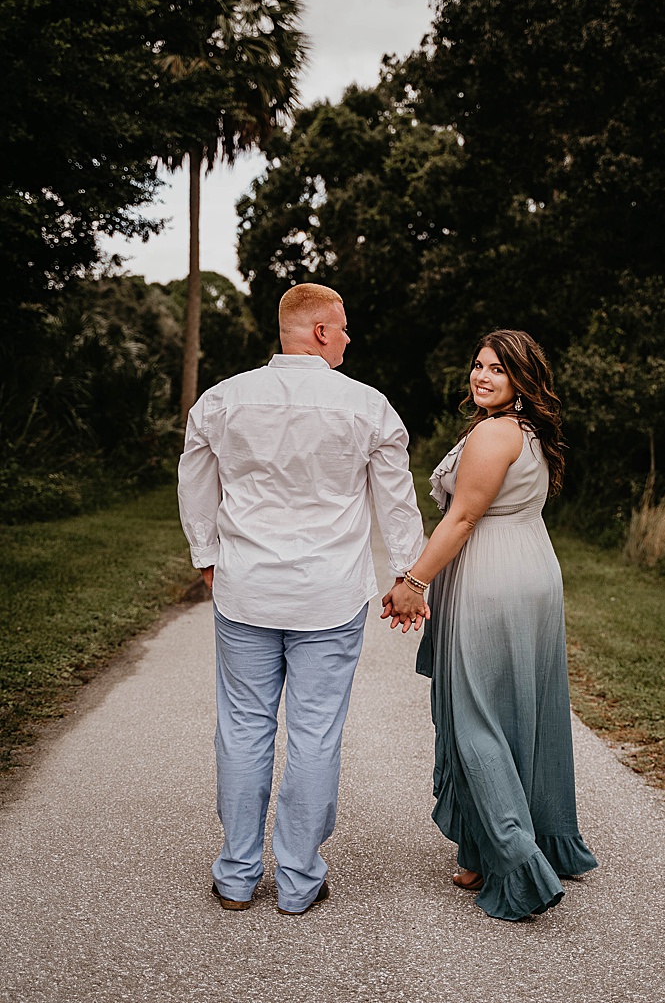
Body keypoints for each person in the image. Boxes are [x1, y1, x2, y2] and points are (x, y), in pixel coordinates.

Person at [178, 283, 427, 915]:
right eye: (342, 328)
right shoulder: (369, 408)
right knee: (315, 734)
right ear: (318, 331)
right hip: (329, 594)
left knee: (242, 727)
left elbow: (195, 483)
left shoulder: (221, 400)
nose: (348, 338)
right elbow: (396, 501)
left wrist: (206, 556)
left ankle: (236, 875)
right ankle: (297, 881)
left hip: (246, 591)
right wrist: (407, 575)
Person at [383, 328, 598, 921]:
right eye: (477, 365)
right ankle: (485, 849)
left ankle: (516, 860)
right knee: (521, 710)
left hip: (489, 578)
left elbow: (461, 519)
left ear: (521, 379)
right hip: (531, 568)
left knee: (476, 715)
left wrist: (413, 583)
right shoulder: (529, 432)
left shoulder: (493, 433)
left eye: (497, 369)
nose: (481, 376)